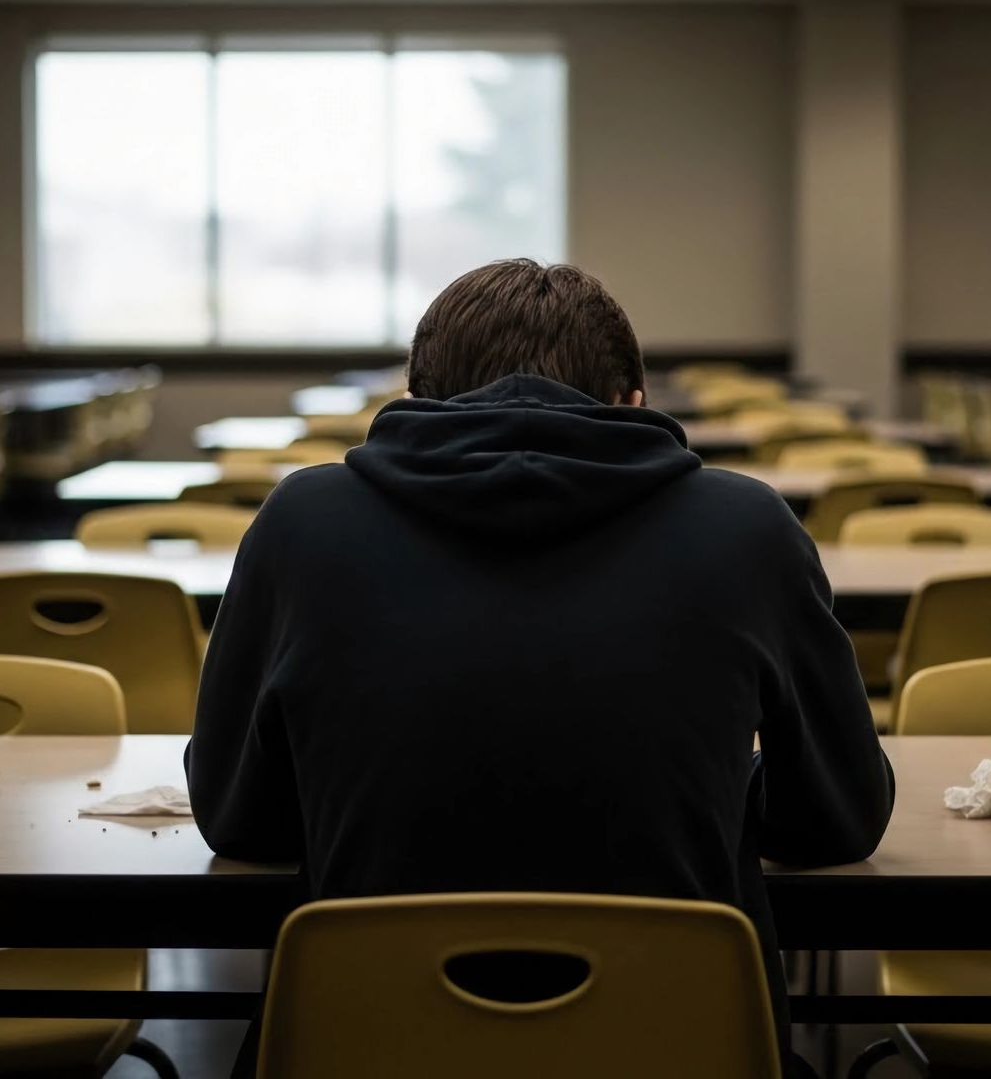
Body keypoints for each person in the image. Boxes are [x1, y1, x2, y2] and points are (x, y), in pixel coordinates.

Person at [186, 258, 894, 1077]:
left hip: (364, 1052)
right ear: (634, 402)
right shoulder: (750, 529)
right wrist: (722, 787)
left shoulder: (301, 524)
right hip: (682, 1052)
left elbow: (239, 819)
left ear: (415, 398)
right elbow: (837, 821)